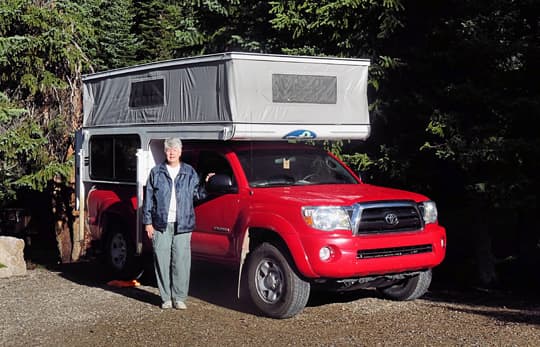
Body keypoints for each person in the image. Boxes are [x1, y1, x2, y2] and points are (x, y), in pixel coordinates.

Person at [142, 137, 206, 310]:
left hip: (183, 224)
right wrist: (148, 222)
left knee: (181, 262)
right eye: (169, 149)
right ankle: (166, 298)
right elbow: (148, 199)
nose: (171, 152)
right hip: (161, 224)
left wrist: (206, 182)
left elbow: (197, 195)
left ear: (180, 151)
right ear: (165, 151)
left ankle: (179, 297)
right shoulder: (156, 172)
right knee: (162, 261)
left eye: (175, 149)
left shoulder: (189, 172)